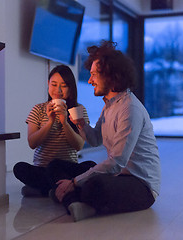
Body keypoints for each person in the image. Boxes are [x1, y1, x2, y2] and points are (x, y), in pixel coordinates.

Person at [50, 41, 161, 222]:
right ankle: (75, 200)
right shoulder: (109, 105)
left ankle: (68, 195)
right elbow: (95, 140)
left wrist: (75, 182)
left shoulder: (130, 109)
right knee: (56, 166)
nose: (90, 80)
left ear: (111, 76)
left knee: (93, 185)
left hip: (141, 186)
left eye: (94, 74)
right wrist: (80, 124)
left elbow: (117, 162)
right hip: (118, 176)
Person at [13, 65, 96, 197]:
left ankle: (44, 190)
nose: (58, 90)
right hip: (43, 169)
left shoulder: (78, 109)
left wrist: (64, 122)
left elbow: (79, 146)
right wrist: (50, 122)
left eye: (63, 85)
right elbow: (32, 143)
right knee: (19, 168)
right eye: (54, 84)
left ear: (71, 88)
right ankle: (64, 187)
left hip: (68, 168)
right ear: (48, 84)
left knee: (91, 166)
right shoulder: (38, 109)